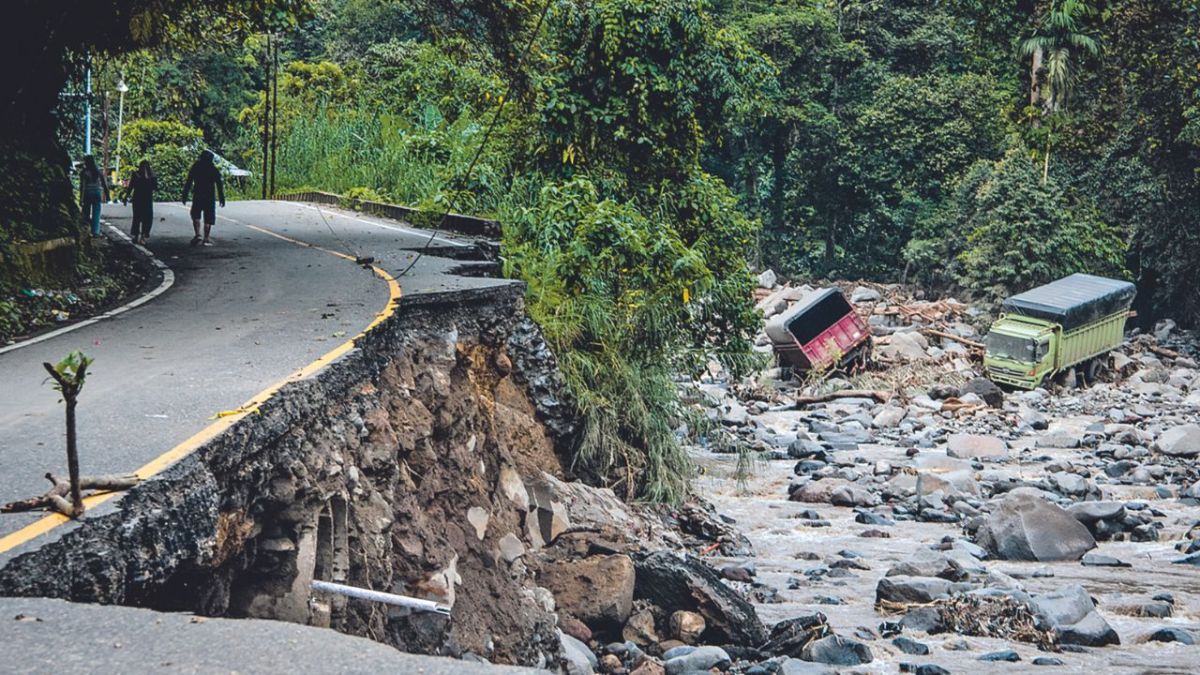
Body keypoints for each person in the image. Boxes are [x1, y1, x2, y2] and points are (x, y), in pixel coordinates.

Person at [181, 149, 225, 247]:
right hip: (209, 196)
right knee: (208, 217)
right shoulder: (213, 169)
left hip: (198, 194)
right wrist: (221, 197)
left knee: (196, 214)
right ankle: (206, 237)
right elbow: (219, 184)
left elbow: (189, 181)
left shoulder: (196, 167)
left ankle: (198, 234)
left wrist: (185, 194)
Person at [123, 160, 157, 245]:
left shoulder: (138, 175)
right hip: (145, 199)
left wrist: (126, 196)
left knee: (139, 218)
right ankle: (141, 236)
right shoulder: (150, 175)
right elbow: (155, 187)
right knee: (144, 218)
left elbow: (131, 187)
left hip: (139, 199)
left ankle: (138, 235)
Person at [78, 155, 108, 237]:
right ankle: (95, 232)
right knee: (96, 213)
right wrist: (107, 194)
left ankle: (85, 230)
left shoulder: (84, 172)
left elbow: (82, 186)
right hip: (97, 193)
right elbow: (104, 184)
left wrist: (81, 199)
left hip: (88, 193)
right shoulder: (98, 171)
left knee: (86, 213)